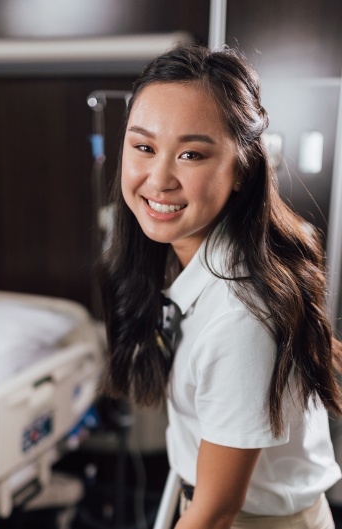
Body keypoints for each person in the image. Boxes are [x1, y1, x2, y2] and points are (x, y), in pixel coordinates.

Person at [98, 45, 342, 528]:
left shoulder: (239, 316)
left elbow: (215, 512)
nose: (159, 178)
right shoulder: (183, 256)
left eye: (191, 154)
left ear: (242, 169)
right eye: (143, 147)